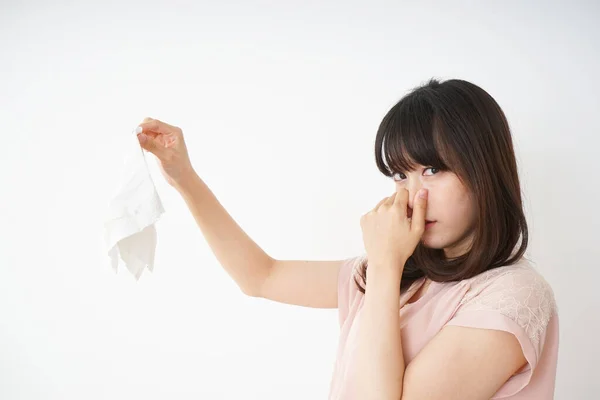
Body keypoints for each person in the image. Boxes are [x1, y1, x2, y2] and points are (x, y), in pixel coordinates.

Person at [134, 78, 558, 399]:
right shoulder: (393, 274)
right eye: (400, 174)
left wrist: (387, 265)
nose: (413, 195)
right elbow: (260, 276)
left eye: (432, 169)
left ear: (484, 168)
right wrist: (184, 178)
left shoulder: (514, 295)